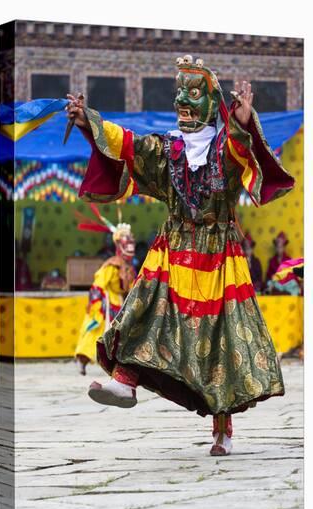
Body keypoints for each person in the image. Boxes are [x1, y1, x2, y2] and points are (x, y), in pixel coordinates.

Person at [66, 55, 295, 456]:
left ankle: (222, 426)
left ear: (211, 102)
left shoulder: (224, 148)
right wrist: (89, 121)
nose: (183, 101)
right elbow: (128, 144)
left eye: (194, 92)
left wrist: (243, 122)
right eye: (179, 93)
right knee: (146, 310)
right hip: (173, 249)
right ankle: (125, 380)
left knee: (222, 338)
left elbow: (244, 153)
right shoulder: (167, 149)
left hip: (217, 258)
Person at [74, 206, 136, 375]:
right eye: (126, 241)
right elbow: (98, 284)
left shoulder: (129, 268)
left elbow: (131, 288)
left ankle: (118, 367)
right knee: (96, 330)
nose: (129, 244)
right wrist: (97, 303)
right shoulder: (112, 264)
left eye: (131, 240)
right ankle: (82, 359)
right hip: (106, 303)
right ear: (118, 244)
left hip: (120, 304)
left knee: (119, 337)